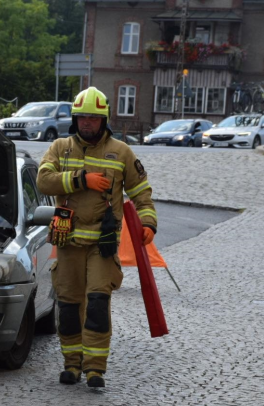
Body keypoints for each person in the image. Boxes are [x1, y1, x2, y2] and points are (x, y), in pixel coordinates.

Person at [37, 86, 157, 388]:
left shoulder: (121, 153)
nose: (87, 123)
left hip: (102, 247)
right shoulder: (60, 148)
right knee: (67, 307)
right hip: (67, 245)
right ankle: (71, 366)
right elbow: (44, 181)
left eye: (93, 118)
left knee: (98, 306)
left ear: (103, 120)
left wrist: (148, 224)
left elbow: (142, 194)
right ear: (74, 120)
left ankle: (95, 369)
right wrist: (82, 180)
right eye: (82, 118)